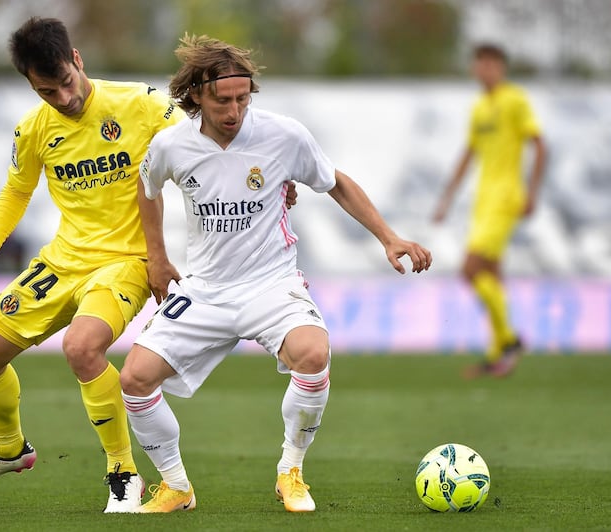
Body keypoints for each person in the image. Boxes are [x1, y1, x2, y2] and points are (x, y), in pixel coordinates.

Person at [119, 34, 432, 514]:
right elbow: (148, 187)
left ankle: (291, 470)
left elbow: (334, 182)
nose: (233, 110)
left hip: (271, 283)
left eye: (242, 98)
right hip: (203, 290)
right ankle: (177, 487)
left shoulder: (283, 135)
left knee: (313, 352)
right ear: (197, 95)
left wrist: (388, 237)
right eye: (222, 100)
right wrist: (156, 259)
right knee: (135, 379)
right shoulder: (171, 145)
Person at [0, 16, 186, 513]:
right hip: (63, 260)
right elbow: (18, 188)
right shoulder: (34, 128)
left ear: (77, 60)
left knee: (81, 348)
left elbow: (202, 147)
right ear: (31, 85)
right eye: (46, 91)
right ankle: (9, 448)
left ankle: (123, 471)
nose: (62, 99)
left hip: (127, 259)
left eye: (64, 83)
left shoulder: (139, 103)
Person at [433, 43, 546, 378]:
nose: (483, 70)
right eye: (478, 64)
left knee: (470, 269)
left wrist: (532, 192)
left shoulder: (515, 100)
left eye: (490, 64)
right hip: (483, 200)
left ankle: (510, 340)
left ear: (501, 67)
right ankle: (499, 354)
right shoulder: (479, 108)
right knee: (491, 276)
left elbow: (539, 145)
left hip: (506, 198)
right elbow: (469, 153)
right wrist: (447, 199)